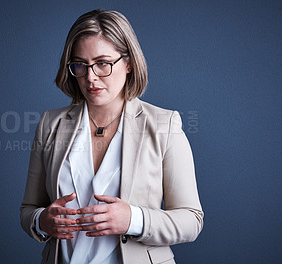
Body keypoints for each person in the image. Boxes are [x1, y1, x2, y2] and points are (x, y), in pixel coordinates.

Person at [20, 9, 203, 264]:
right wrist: (42, 221)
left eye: (103, 63)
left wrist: (133, 219)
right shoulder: (51, 124)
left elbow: (191, 220)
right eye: (80, 65)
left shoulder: (164, 124)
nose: (90, 77)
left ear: (128, 63)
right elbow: (28, 210)